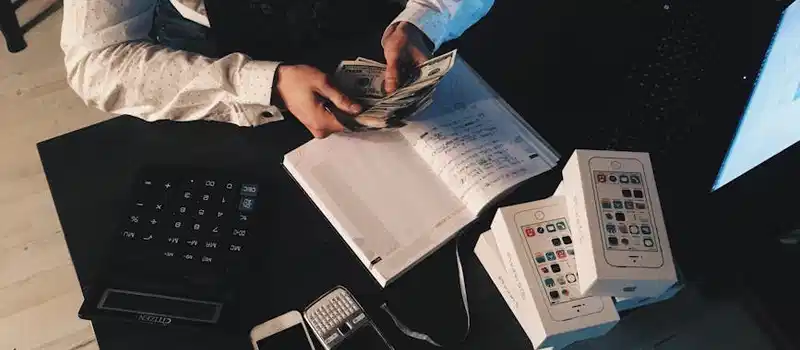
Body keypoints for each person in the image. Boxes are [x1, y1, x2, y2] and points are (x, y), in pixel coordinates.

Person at [61, 0, 494, 138]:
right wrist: (262, 83)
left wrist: (428, 18)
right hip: (234, 71)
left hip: (387, 29)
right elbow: (97, 63)